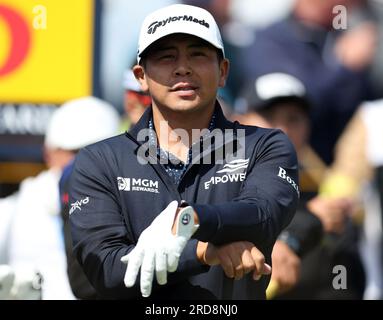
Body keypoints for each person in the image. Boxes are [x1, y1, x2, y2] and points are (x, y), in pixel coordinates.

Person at [69, 4, 299, 300]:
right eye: (166, 57)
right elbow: (107, 270)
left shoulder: (265, 145)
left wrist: (189, 220)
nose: (183, 67)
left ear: (223, 71)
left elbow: (264, 213)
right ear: (141, 76)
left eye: (198, 54)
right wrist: (203, 252)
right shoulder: (100, 161)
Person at [235, 72, 365, 299]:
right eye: (269, 116)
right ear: (240, 120)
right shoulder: (217, 182)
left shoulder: (326, 189)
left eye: (294, 118)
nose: (283, 130)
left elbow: (341, 283)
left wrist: (339, 242)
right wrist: (309, 222)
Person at [0, 96, 120, 300]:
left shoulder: (133, 208)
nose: (82, 165)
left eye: (94, 154)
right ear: (48, 153)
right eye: (75, 153)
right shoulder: (10, 210)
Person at [242, 0, 378, 164]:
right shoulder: (271, 39)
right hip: (291, 165)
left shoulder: (341, 36)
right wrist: (345, 68)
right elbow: (294, 95)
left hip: (350, 167)